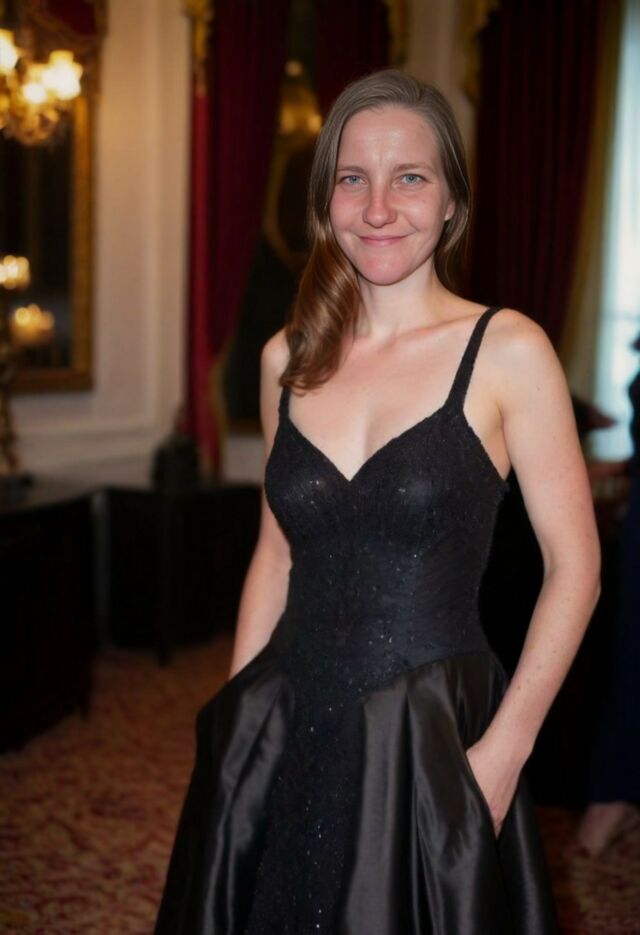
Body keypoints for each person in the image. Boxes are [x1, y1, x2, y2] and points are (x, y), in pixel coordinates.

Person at [155, 70, 600, 934]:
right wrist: (232, 727)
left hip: (427, 741)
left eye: (411, 177)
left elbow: (575, 569)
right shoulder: (285, 358)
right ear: (326, 200)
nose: (379, 207)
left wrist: (504, 753)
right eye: (353, 178)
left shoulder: (507, 350)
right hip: (287, 717)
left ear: (451, 200)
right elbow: (276, 555)